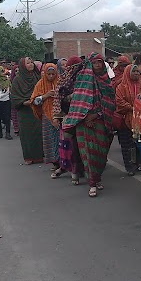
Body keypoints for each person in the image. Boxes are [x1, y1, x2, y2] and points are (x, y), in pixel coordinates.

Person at [62, 53, 115, 197]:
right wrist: (85, 117)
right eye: (95, 63)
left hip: (101, 121)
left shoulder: (107, 82)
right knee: (88, 153)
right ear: (90, 64)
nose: (98, 65)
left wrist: (96, 115)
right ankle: (92, 183)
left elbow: (110, 104)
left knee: (101, 153)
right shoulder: (82, 80)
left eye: (100, 62)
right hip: (83, 123)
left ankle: (97, 179)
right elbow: (78, 101)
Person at [53, 56, 85, 185]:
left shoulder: (85, 79)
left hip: (83, 115)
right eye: (73, 67)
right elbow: (57, 98)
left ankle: (82, 170)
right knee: (69, 145)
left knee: (81, 145)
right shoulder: (63, 80)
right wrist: (56, 116)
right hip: (67, 116)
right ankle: (71, 170)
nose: (75, 70)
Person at [10, 57, 44, 165]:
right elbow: (14, 96)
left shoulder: (37, 76)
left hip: (37, 109)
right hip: (25, 111)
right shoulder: (17, 80)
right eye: (28, 63)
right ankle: (28, 156)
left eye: (31, 62)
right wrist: (24, 102)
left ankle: (39, 156)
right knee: (27, 134)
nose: (31, 64)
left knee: (38, 132)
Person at [31, 63, 62, 177]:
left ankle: (62, 162)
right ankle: (54, 162)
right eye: (48, 74)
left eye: (53, 73)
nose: (51, 76)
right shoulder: (40, 84)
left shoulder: (60, 82)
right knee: (50, 139)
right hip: (47, 115)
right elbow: (34, 101)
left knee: (60, 139)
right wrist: (46, 95)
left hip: (60, 115)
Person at [115, 64, 141, 176]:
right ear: (128, 73)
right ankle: (129, 166)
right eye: (134, 71)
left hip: (139, 119)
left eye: (137, 71)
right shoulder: (121, 87)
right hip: (125, 120)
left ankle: (136, 164)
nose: (136, 73)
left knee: (136, 143)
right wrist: (132, 108)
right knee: (126, 145)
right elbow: (119, 101)